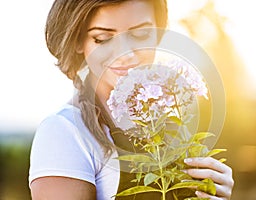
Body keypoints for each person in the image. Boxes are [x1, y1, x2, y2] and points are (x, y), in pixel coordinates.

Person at [29, 0, 234, 199]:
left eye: (141, 34)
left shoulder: (169, 126)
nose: (125, 54)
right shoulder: (64, 131)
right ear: (78, 41)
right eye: (103, 38)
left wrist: (210, 192)